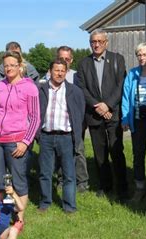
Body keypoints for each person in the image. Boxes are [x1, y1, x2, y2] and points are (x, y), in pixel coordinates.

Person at [0, 51, 40, 221]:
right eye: (5, 65)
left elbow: (35, 117)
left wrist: (26, 142)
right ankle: (0, 217)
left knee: (18, 181)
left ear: (20, 66)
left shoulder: (30, 88)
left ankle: (19, 219)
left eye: (12, 65)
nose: (8, 68)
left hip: (17, 141)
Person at [76, 29, 128, 200]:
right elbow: (81, 87)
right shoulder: (83, 63)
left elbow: (121, 84)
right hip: (94, 115)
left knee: (116, 150)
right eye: (93, 41)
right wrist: (97, 106)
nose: (96, 44)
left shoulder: (117, 59)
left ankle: (122, 187)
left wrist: (108, 105)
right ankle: (105, 186)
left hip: (112, 114)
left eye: (99, 41)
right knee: (100, 153)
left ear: (106, 42)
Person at [37, 58, 85, 213]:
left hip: (66, 137)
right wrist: (38, 134)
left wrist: (76, 135)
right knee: (45, 172)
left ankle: (69, 206)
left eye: (62, 71)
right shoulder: (41, 90)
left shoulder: (74, 91)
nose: (59, 73)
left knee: (69, 174)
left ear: (66, 72)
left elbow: (80, 114)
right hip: (46, 136)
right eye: (56, 70)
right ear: (50, 71)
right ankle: (45, 202)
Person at [42, 45, 89, 192]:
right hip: (56, 123)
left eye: (67, 59)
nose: (64, 61)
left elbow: (82, 98)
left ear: (71, 60)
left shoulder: (76, 75)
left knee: (78, 151)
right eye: (61, 58)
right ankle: (62, 179)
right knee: (60, 153)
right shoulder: (48, 76)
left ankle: (82, 181)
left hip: (74, 121)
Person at [121, 42, 146, 202]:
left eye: (145, 54)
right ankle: (139, 187)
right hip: (138, 119)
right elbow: (125, 96)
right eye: (139, 54)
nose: (142, 57)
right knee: (138, 154)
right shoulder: (132, 73)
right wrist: (124, 118)